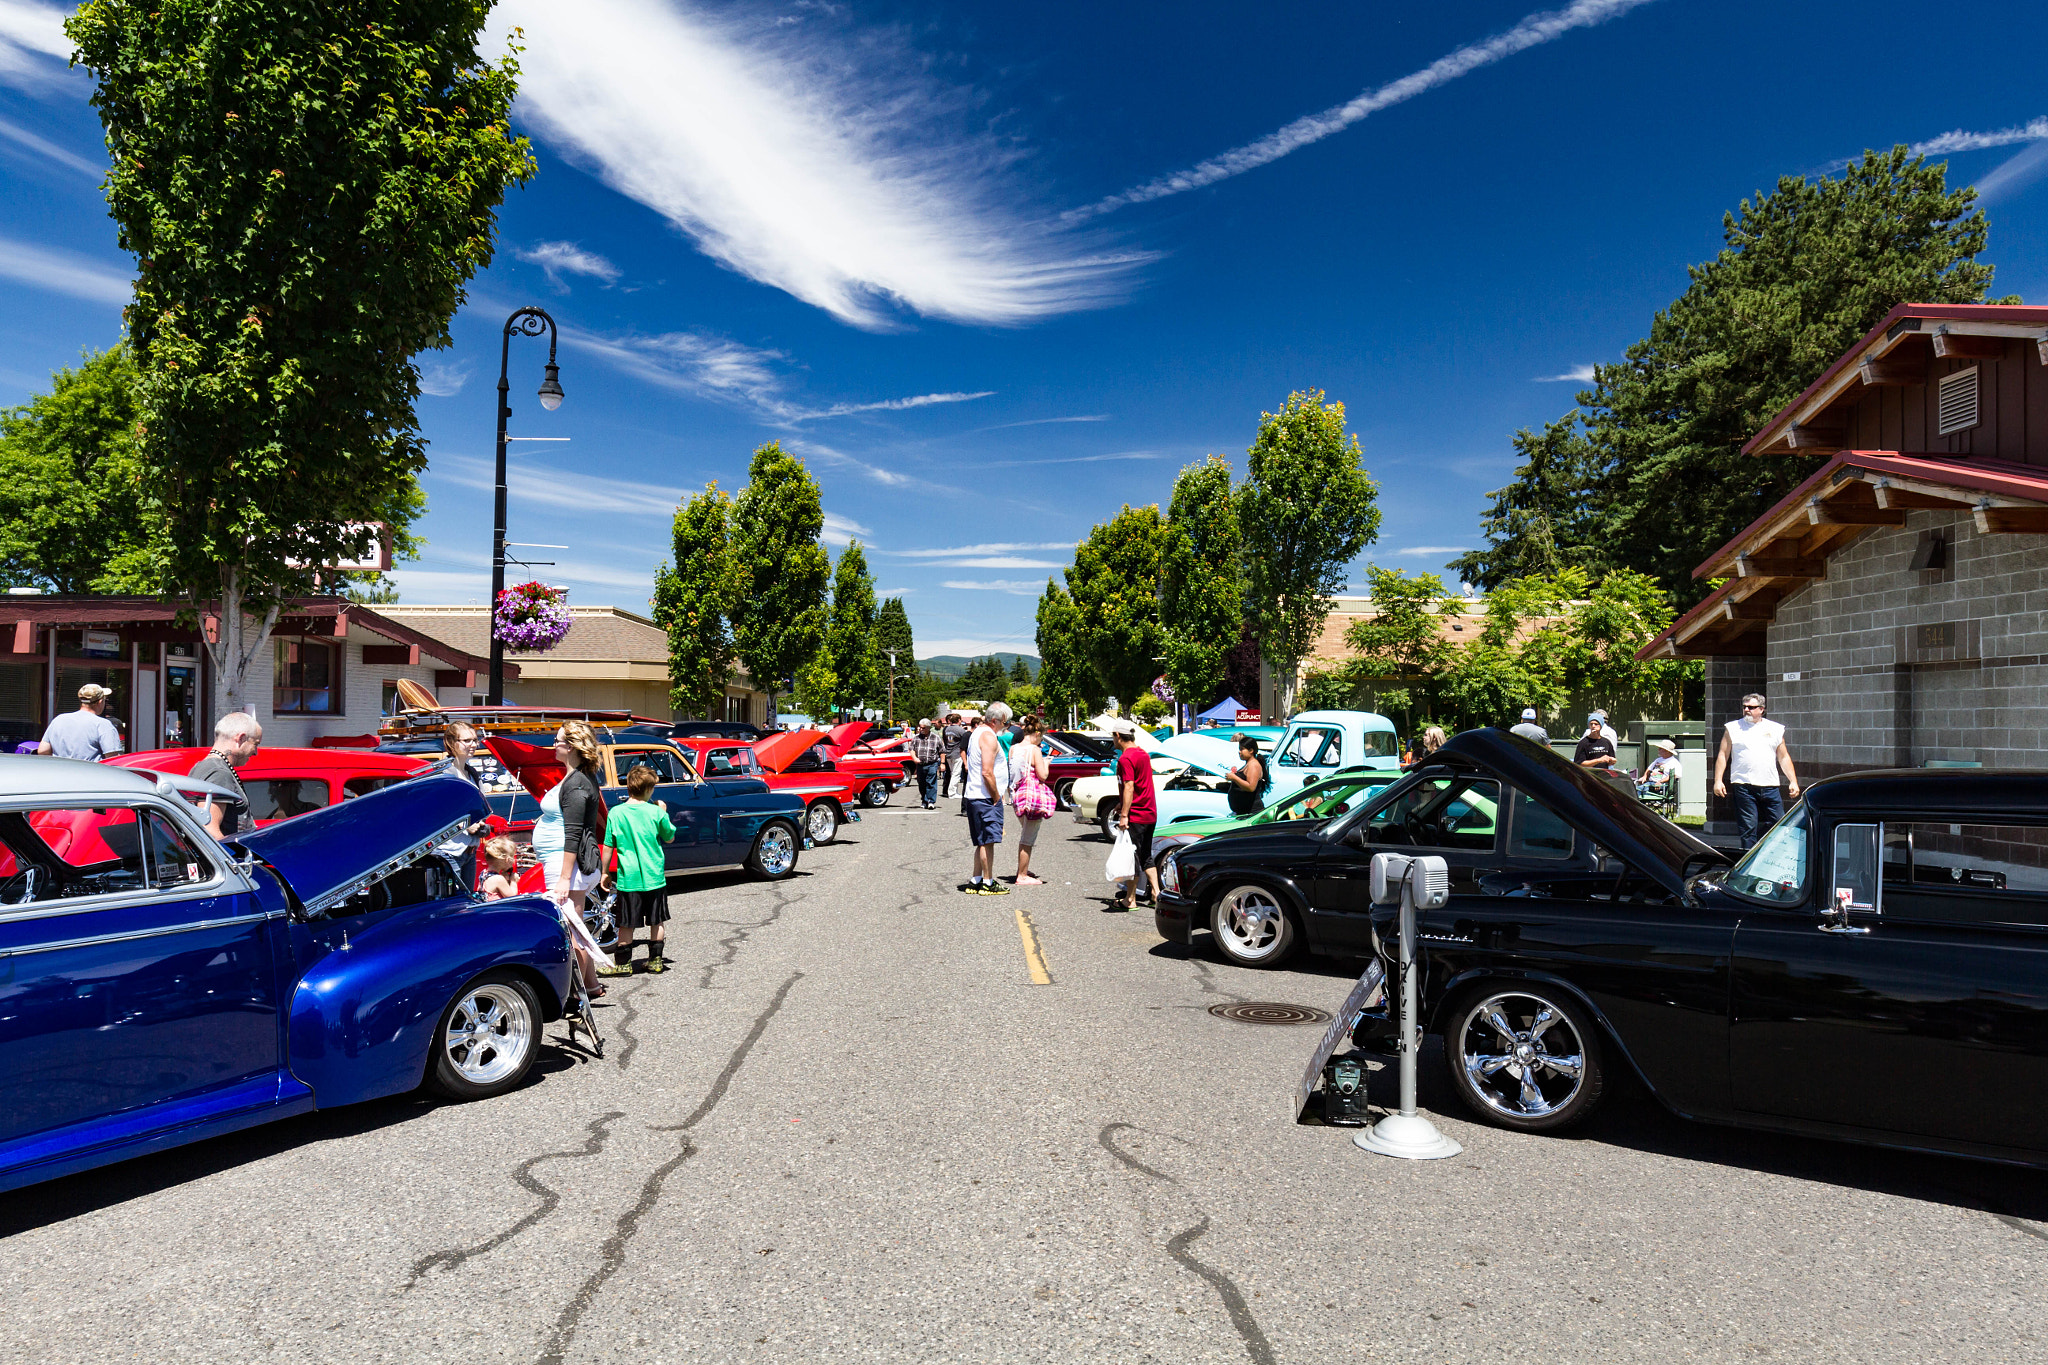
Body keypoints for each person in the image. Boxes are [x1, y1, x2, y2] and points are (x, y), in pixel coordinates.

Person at [534, 720, 606, 994]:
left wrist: (564, 878)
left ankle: (574, 994)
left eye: (558, 740)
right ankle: (589, 985)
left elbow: (573, 833)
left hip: (568, 866)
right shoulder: (574, 777)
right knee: (576, 925)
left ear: (573, 746)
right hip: (564, 863)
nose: (554, 744)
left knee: (573, 930)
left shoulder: (576, 783)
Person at [599, 764, 676, 976]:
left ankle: (623, 963)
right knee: (656, 919)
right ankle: (655, 961)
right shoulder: (655, 812)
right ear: (649, 789)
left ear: (628, 787)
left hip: (628, 878)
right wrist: (663, 813)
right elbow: (669, 837)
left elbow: (608, 846)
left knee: (626, 923)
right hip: (654, 877)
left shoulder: (616, 812)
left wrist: (605, 872)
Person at [1715, 694, 1800, 849]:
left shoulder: (1775, 729)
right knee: (1748, 827)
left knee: (1778, 824)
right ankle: (1749, 861)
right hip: (1743, 784)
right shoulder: (1733, 728)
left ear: (1761, 709)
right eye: (1744, 707)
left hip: (1770, 785)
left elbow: (1783, 757)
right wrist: (1718, 780)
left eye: (1751, 707)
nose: (1746, 710)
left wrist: (1793, 781)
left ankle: (1764, 852)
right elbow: (1723, 754)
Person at [434, 721, 493, 886]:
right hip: (448, 852)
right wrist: (465, 826)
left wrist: (481, 826)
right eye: (466, 741)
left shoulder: (471, 773)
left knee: (466, 904)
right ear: (451, 743)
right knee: (453, 905)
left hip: (469, 852)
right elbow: (439, 813)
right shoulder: (444, 774)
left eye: (474, 740)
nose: (473, 745)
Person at [963, 703, 1012, 895]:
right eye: (1004, 723)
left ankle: (976, 879)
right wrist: (996, 796)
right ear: (995, 721)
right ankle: (988, 882)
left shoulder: (977, 732)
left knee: (981, 840)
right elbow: (987, 772)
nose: (1005, 726)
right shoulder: (989, 737)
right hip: (985, 796)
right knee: (988, 841)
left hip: (974, 795)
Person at [1111, 721, 1159, 911]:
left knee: (1132, 857)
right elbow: (1138, 784)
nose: (1112, 741)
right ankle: (1157, 893)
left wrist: (1124, 814)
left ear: (1118, 736)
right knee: (1146, 854)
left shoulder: (1126, 758)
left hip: (1137, 814)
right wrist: (1121, 802)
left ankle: (1129, 900)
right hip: (1150, 812)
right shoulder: (1143, 754)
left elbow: (1130, 785)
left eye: (1112, 737)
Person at [191, 712, 261, 840]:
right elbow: (209, 830)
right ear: (241, 738)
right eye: (255, 744)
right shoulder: (219, 773)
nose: (255, 752)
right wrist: (230, 858)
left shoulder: (201, 767)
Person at [1008, 716, 1056, 886]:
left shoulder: (1013, 748)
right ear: (1036, 733)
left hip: (1017, 795)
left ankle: (1023, 869)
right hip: (1032, 797)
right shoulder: (1034, 750)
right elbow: (1043, 776)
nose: (1041, 739)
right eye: (1041, 736)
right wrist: (1047, 763)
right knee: (1027, 838)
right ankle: (1022, 875)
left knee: (1026, 832)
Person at [37, 683, 125, 761]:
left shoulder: (59, 720)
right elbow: (113, 759)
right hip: (90, 776)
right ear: (100, 702)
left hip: (60, 774)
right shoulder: (103, 724)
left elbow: (42, 750)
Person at [1224, 734, 1268, 816]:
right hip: (1243, 813)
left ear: (1251, 750)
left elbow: (1251, 787)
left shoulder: (1254, 765)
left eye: (1242, 749)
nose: (1239, 752)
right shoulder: (1248, 764)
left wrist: (1234, 778)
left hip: (1252, 813)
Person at [908, 717, 944, 809]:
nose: (921, 729)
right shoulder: (916, 738)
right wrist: (915, 758)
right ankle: (924, 800)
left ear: (928, 728)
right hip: (920, 764)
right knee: (922, 783)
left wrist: (942, 763)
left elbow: (942, 751)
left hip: (932, 763)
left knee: (931, 782)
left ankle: (931, 801)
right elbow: (911, 749)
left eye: (923, 728)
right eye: (920, 727)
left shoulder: (936, 738)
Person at [478, 836, 521, 901]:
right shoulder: (498, 879)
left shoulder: (483, 874)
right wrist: (513, 881)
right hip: (495, 910)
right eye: (512, 856)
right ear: (507, 860)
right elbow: (512, 898)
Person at [940, 713, 967, 798]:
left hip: (948, 753)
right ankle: (952, 792)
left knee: (952, 773)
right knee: (956, 774)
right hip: (957, 753)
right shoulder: (960, 730)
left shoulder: (946, 729)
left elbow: (944, 740)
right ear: (959, 720)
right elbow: (965, 741)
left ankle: (952, 791)